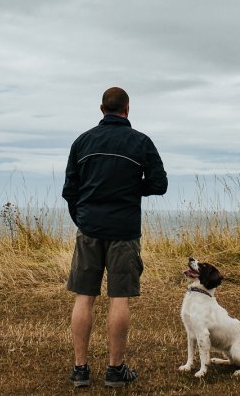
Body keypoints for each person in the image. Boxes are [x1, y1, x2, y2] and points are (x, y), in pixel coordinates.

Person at [62, 86, 168, 388]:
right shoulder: (141, 142)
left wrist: (83, 219)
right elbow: (159, 184)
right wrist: (133, 187)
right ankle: (115, 369)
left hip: (90, 230)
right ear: (127, 109)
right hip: (124, 231)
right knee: (118, 298)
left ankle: (80, 370)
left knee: (85, 297)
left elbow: (70, 191)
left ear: (101, 109)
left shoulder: (82, 142)